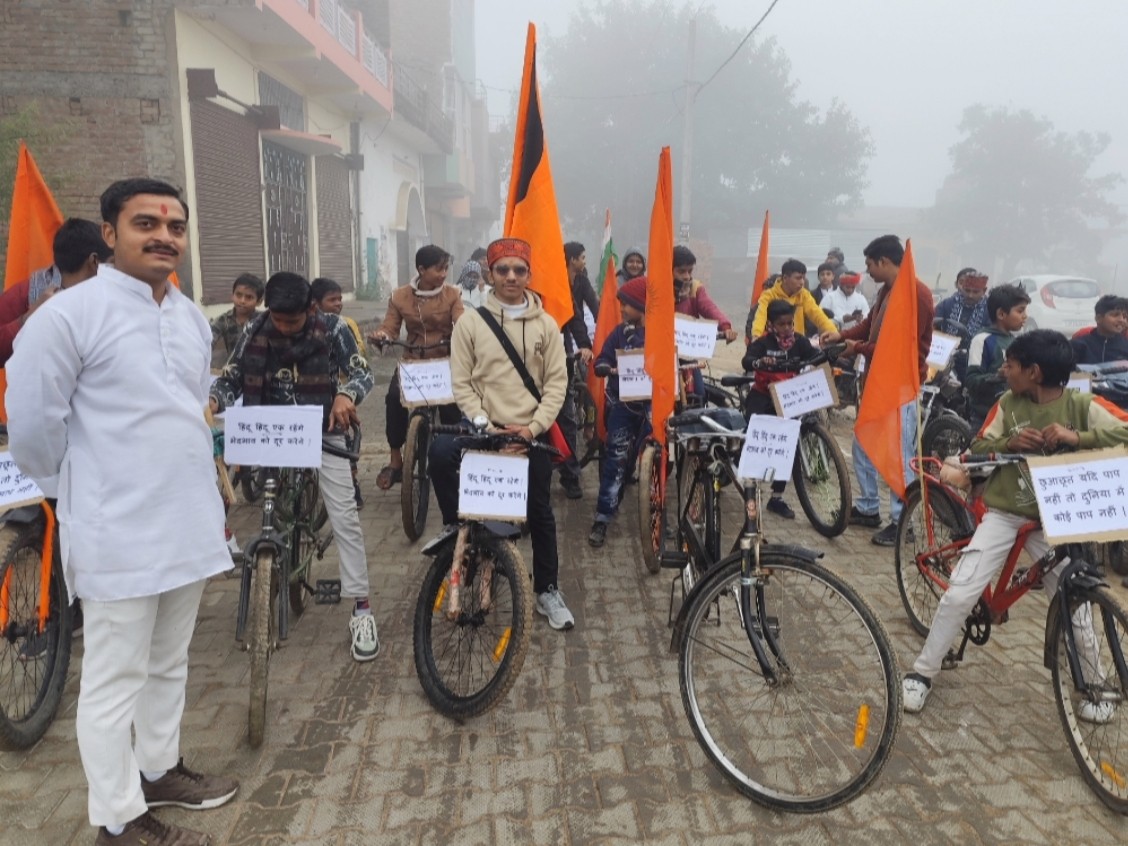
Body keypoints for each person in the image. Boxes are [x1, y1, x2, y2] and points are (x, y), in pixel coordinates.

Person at [6, 177, 239, 845]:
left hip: (187, 521)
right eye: (146, 224)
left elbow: (190, 408)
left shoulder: (189, 317)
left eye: (175, 226)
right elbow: (33, 426)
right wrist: (79, 487)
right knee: (114, 680)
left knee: (169, 662)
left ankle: (159, 770)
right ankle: (118, 818)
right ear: (109, 234)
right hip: (117, 531)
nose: (164, 236)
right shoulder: (69, 316)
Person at [902, 329, 1128, 714]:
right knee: (961, 594)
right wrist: (1008, 443)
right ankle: (923, 672)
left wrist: (1077, 437)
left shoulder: (1082, 405)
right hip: (1005, 513)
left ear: (1034, 372)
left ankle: (1093, 685)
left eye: (1011, 365)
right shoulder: (1007, 404)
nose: (1005, 371)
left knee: (1077, 604)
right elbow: (978, 446)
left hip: (1054, 521)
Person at [211, 272, 380, 663]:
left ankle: (362, 609)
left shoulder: (334, 328)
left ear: (311, 308)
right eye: (278, 320)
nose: (284, 329)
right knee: (264, 508)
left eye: (293, 321)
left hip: (323, 426)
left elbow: (362, 372)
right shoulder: (255, 328)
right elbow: (232, 377)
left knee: (344, 517)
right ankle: (267, 569)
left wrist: (345, 394)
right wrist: (216, 400)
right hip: (270, 429)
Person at [428, 237, 575, 631]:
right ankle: (457, 528)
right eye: (503, 269)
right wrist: (486, 426)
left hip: (529, 431)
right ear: (490, 274)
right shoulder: (471, 323)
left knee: (540, 510)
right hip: (482, 428)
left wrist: (530, 429)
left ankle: (547, 589)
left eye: (519, 270)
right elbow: (462, 382)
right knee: (439, 454)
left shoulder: (547, 326)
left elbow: (556, 385)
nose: (511, 276)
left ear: (529, 275)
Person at [821, 234, 935, 547]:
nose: (868, 271)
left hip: (901, 386)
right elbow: (871, 325)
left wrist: (855, 346)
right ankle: (868, 507)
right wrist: (841, 336)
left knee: (899, 455)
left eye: (870, 264)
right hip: (878, 381)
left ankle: (902, 522)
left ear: (884, 261)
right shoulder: (888, 290)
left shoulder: (916, 294)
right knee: (863, 443)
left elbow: (895, 349)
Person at [367, 245, 463, 490]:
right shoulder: (399, 296)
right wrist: (382, 336)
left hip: (444, 361)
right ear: (421, 269)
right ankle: (396, 459)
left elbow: (461, 322)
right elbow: (390, 327)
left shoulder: (453, 294)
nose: (444, 274)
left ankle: (454, 456)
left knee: (453, 408)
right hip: (412, 361)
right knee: (393, 398)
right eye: (439, 269)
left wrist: (466, 335)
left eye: (446, 269)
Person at [742, 300, 819, 519]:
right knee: (754, 439)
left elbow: (813, 356)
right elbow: (747, 360)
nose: (787, 328)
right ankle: (748, 488)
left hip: (788, 399)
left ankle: (776, 497)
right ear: (771, 324)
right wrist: (759, 362)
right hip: (763, 397)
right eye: (781, 324)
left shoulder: (800, 342)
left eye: (790, 323)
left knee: (788, 445)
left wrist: (828, 356)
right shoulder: (763, 343)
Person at [587, 276, 649, 547]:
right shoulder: (620, 333)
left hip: (654, 406)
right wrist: (602, 365)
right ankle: (603, 516)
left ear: (642, 305)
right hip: (623, 405)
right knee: (615, 460)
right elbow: (603, 357)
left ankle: (658, 515)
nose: (621, 309)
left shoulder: (662, 333)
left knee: (658, 462)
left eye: (626, 304)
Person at [0, 217, 110, 365]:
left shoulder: (109, 300)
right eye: (110, 263)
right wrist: (27, 319)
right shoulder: (26, 294)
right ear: (94, 261)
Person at [311, 276, 367, 508]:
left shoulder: (344, 325)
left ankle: (352, 486)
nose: (338, 304)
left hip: (337, 395)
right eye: (332, 300)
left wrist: (347, 392)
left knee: (344, 438)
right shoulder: (307, 328)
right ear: (315, 303)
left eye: (339, 299)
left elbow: (358, 357)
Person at [556, 241, 601, 499]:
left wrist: (586, 344)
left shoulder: (579, 282)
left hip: (562, 351)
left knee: (568, 416)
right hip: (532, 357)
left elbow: (578, 315)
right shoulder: (541, 283)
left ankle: (570, 475)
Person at [965, 283, 1030, 429]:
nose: (1025, 316)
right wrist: (997, 376)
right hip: (985, 416)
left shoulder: (1014, 341)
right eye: (1020, 311)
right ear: (1001, 314)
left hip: (1010, 413)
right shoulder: (982, 340)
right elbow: (971, 381)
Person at [750, 259, 837, 341]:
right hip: (775, 343)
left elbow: (817, 315)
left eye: (803, 278)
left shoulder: (804, 295)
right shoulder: (769, 295)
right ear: (785, 278)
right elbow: (760, 316)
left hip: (797, 344)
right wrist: (756, 335)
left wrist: (833, 332)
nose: (802, 282)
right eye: (798, 278)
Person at [209, 273, 264, 369]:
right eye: (238, 295)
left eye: (249, 297)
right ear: (232, 295)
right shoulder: (223, 320)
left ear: (259, 302)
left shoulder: (263, 320)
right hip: (234, 369)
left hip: (259, 370)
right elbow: (207, 341)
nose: (242, 301)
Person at [1071, 295, 1128, 365]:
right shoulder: (1079, 345)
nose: (1121, 320)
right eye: (1115, 315)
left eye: (1124, 317)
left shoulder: (1126, 346)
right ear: (1098, 318)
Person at [934, 267, 990, 339]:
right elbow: (933, 325)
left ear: (984, 291)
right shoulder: (946, 304)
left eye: (975, 292)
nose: (970, 295)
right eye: (967, 291)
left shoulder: (989, 310)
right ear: (962, 287)